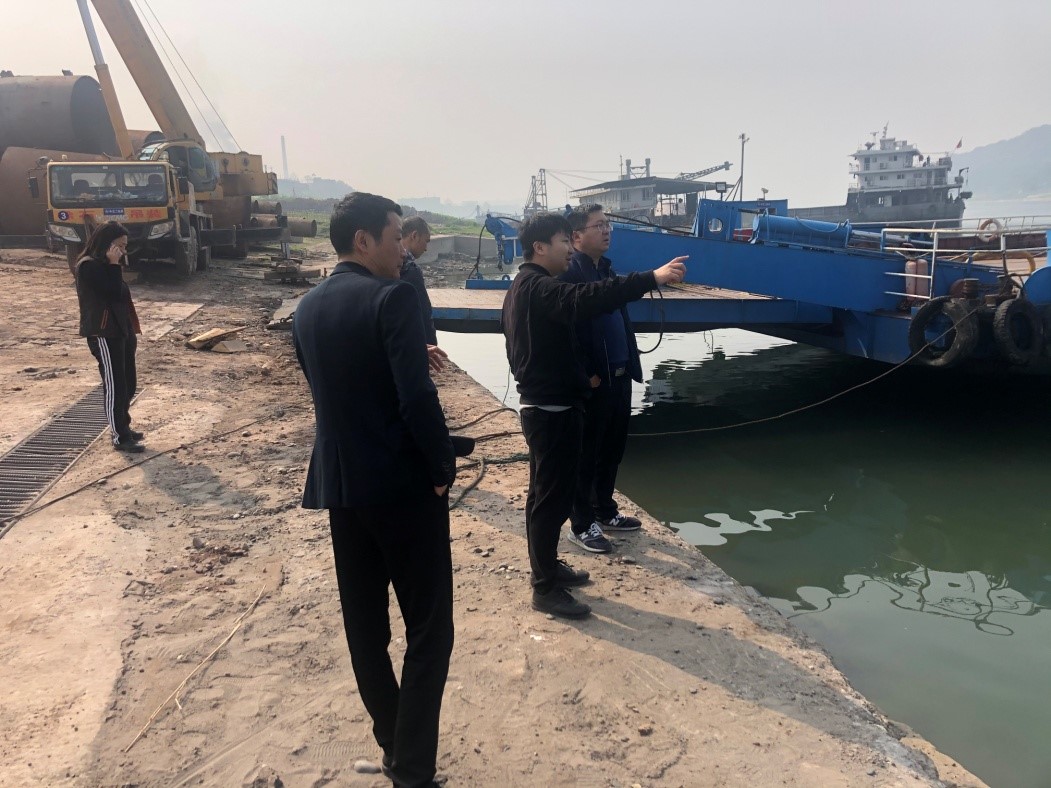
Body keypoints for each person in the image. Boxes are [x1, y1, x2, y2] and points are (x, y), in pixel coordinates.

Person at [292, 192, 456, 788]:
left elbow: (336, 385)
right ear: (363, 240)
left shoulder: (307, 307)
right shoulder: (395, 298)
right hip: (403, 486)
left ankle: (394, 744)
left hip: (342, 487)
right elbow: (415, 399)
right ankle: (412, 769)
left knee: (366, 628)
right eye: (394, 236)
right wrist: (442, 466)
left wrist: (409, 352)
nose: (403, 249)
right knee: (430, 628)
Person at [502, 212, 686, 619]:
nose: (569, 249)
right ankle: (544, 589)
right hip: (551, 411)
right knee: (550, 502)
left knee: (544, 497)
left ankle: (548, 568)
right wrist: (650, 278)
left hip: (547, 405)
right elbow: (587, 298)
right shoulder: (540, 288)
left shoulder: (523, 287)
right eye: (562, 242)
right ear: (539, 248)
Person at [561, 205, 644, 555]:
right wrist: (585, 372)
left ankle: (605, 510)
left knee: (612, 448)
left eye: (608, 224)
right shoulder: (570, 274)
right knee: (586, 454)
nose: (607, 230)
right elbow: (566, 330)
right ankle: (582, 524)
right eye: (599, 225)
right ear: (577, 236)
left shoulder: (606, 269)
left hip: (619, 375)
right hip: (595, 381)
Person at [74, 221, 144, 453]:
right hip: (104, 332)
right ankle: (119, 436)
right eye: (120, 246)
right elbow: (112, 292)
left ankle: (124, 426)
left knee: (128, 382)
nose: (123, 251)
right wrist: (114, 265)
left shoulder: (106, 265)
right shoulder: (88, 266)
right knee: (115, 384)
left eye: (125, 246)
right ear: (107, 244)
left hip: (121, 329)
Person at [399, 215, 447, 373]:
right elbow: (422, 311)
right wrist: (431, 345)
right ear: (414, 236)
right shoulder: (410, 270)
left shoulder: (386, 266)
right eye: (426, 241)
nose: (426, 248)